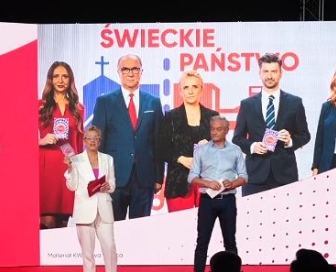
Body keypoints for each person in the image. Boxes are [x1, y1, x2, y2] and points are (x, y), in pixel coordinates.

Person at [92, 54, 163, 220]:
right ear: (118, 72)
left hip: (144, 178)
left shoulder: (153, 102)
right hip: (113, 178)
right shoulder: (105, 102)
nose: (130, 73)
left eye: (135, 69)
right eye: (125, 69)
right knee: (112, 228)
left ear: (141, 71)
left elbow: (158, 142)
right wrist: (98, 178)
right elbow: (97, 142)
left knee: (141, 229)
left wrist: (159, 177)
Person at [231, 53, 310, 196]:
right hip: (255, 176)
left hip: (285, 175)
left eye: (274, 71)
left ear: (280, 73)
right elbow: (237, 138)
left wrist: (290, 141)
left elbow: (305, 135)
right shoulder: (247, 105)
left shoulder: (295, 103)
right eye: (266, 71)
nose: (269, 76)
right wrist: (253, 147)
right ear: (260, 73)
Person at [64, 125, 123, 272]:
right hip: (84, 209)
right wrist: (69, 169)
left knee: (110, 246)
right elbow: (72, 186)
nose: (92, 141)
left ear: (100, 141)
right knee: (87, 250)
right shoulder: (76, 160)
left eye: (96, 138)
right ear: (84, 141)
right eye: (89, 138)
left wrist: (107, 186)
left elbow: (113, 184)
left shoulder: (108, 159)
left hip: (104, 207)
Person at [188, 116, 247, 272]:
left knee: (230, 242)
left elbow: (244, 176)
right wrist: (207, 182)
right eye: (212, 129)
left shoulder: (235, 150)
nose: (214, 132)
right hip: (207, 201)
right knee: (202, 242)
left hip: (228, 201)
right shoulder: (201, 150)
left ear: (227, 131)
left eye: (218, 129)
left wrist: (232, 183)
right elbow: (192, 177)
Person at [156, 70, 220, 212]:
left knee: (207, 224)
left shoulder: (213, 116)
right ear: (180, 91)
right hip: (178, 182)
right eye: (186, 87)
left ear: (201, 89)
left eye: (194, 87)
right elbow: (162, 149)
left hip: (208, 182)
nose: (190, 91)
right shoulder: (171, 117)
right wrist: (180, 159)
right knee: (180, 225)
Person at [38, 61, 85, 229]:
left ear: (70, 80)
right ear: (50, 79)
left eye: (65, 76)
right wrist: (40, 141)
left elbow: (78, 143)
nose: (60, 80)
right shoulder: (39, 106)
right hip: (46, 167)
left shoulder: (78, 108)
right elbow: (19, 138)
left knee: (63, 223)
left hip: (67, 168)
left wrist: (79, 170)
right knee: (47, 222)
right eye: (56, 76)